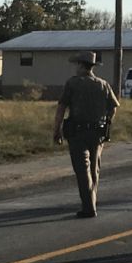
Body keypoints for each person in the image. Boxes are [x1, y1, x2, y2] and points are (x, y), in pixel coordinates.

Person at [53, 51, 120, 218]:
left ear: (81, 65)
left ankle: (88, 207)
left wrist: (57, 130)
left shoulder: (73, 84)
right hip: (97, 132)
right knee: (94, 169)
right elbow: (113, 107)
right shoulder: (103, 84)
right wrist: (106, 122)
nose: (75, 68)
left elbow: (61, 108)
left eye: (77, 64)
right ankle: (92, 201)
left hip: (77, 133)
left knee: (83, 170)